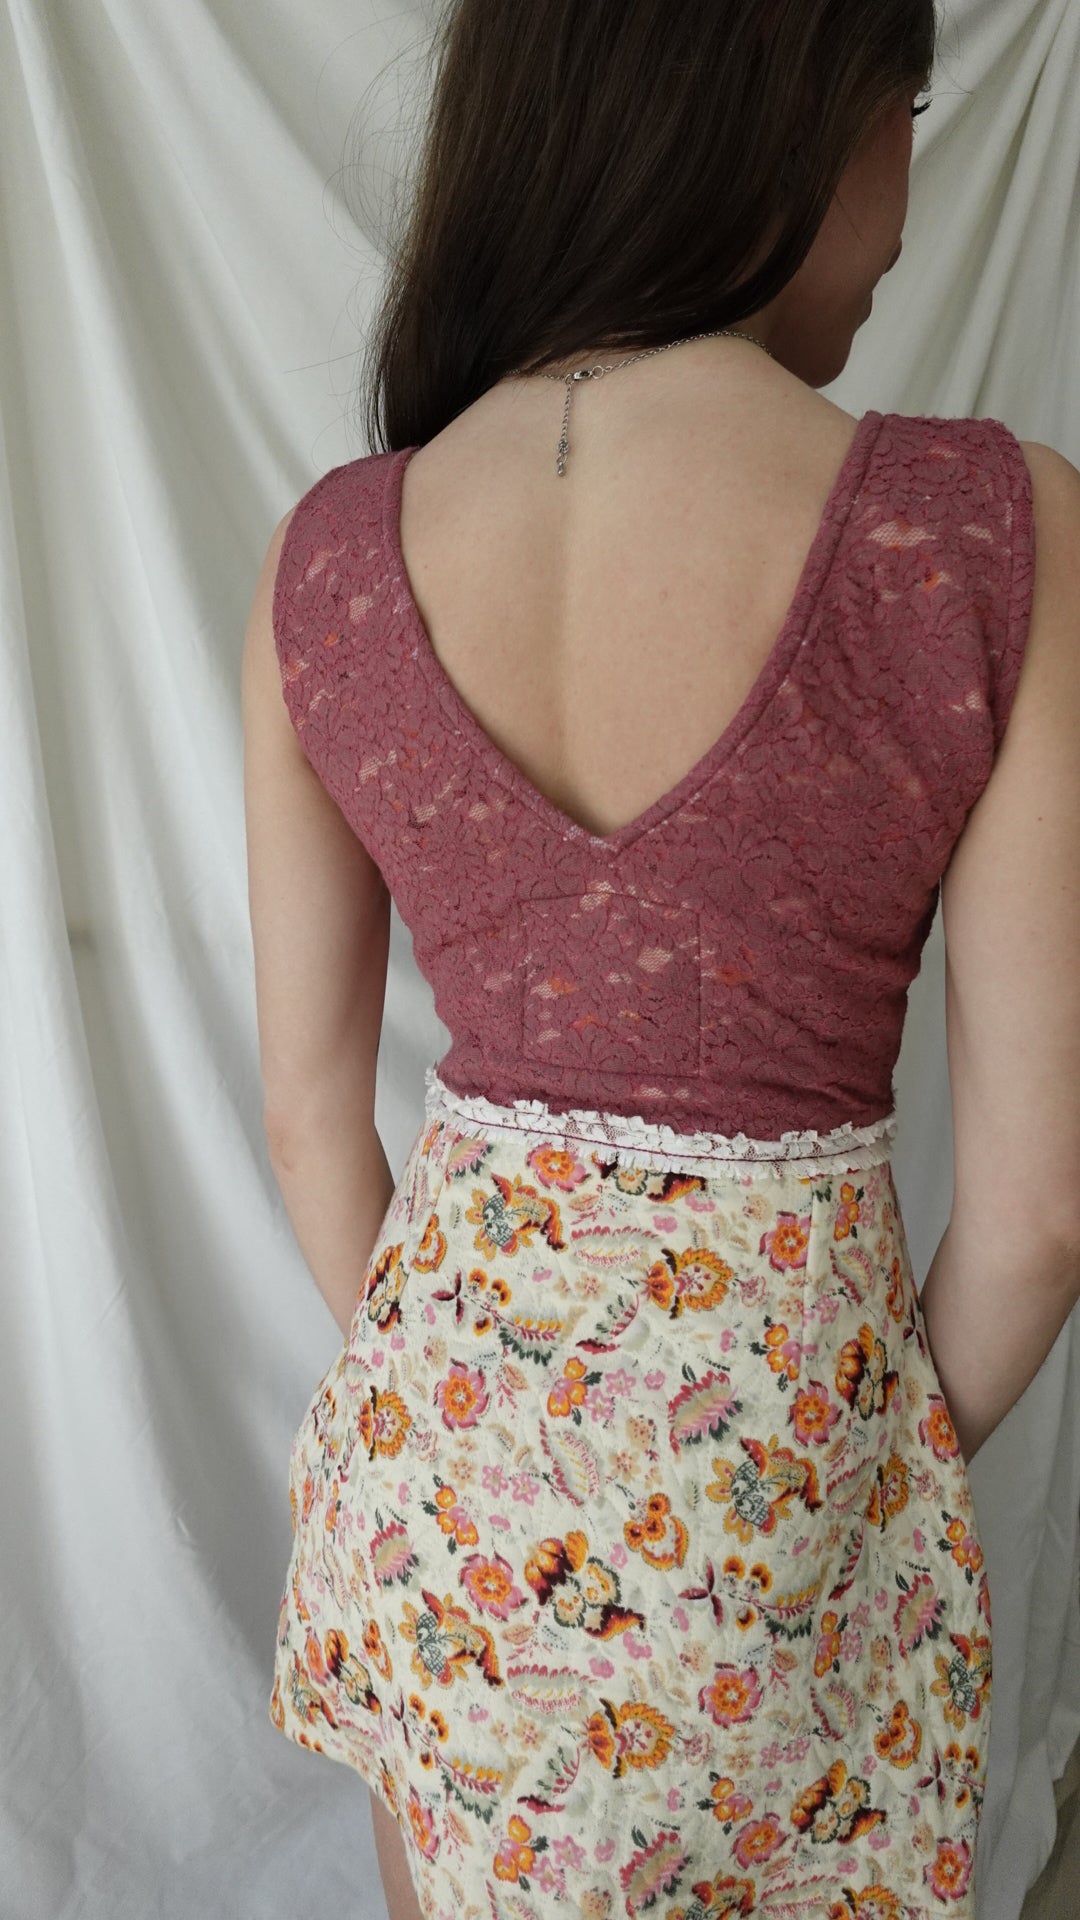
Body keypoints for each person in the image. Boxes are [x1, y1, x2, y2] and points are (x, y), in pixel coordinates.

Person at [241, 2, 1080, 1916]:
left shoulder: (337, 554)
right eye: (907, 115)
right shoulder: (990, 531)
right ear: (793, 113)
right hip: (780, 1499)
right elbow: (1038, 1212)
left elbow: (309, 1122)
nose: (904, 206)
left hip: (447, 1483)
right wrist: (839, 1475)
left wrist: (509, 1435)